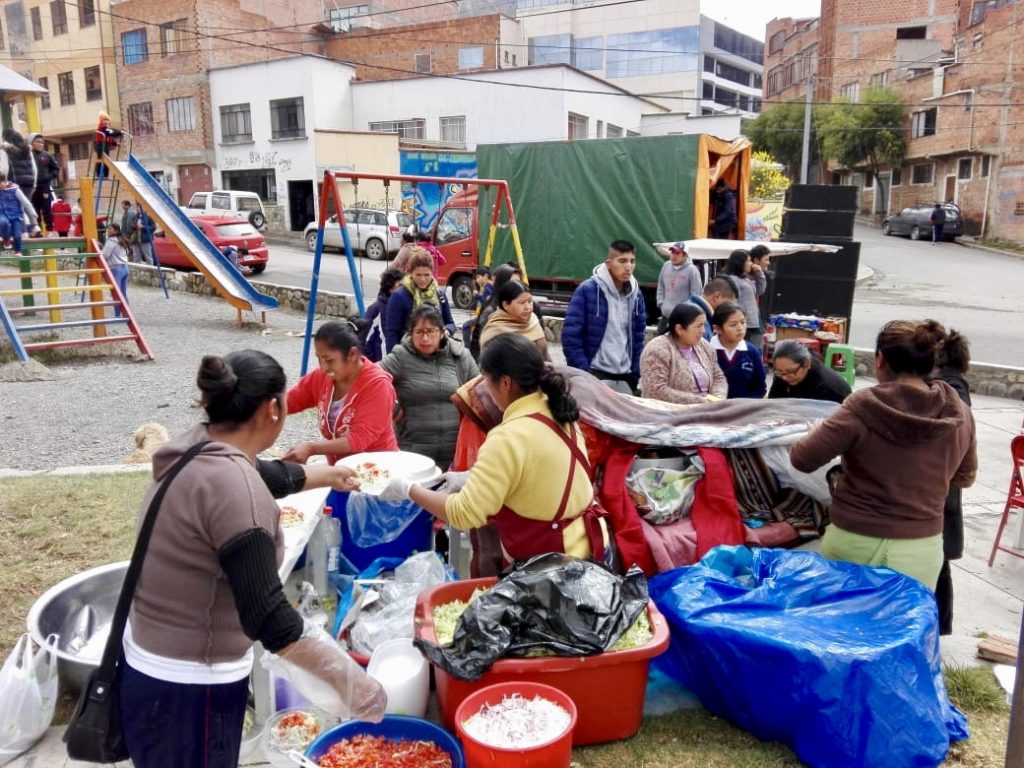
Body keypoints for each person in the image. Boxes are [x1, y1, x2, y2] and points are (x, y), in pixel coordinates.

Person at [117, 350, 386, 767]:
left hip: (144, 669)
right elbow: (268, 617)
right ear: (273, 408)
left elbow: (264, 473)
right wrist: (355, 685)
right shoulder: (239, 493)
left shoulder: (195, 448)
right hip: (191, 689)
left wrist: (327, 475)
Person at [379, 333, 609, 565]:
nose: (485, 390)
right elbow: (538, 473)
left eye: (487, 381)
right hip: (591, 549)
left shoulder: (508, 435)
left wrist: (408, 489)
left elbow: (462, 514)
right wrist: (470, 478)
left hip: (557, 565)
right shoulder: (557, 410)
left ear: (506, 382)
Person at [790, 320, 978, 590]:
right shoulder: (958, 411)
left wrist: (819, 431)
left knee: (841, 629)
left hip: (853, 542)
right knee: (899, 629)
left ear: (880, 360)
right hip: (921, 549)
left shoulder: (861, 406)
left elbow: (802, 459)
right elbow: (965, 477)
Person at [284, 321, 398, 465]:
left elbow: (358, 439)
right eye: (319, 359)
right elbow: (293, 399)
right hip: (340, 469)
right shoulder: (323, 376)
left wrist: (311, 448)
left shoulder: (377, 384)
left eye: (329, 360)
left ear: (352, 354)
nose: (323, 367)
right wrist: (263, 407)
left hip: (377, 469)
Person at [380, 305, 479, 469]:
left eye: (431, 332)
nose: (425, 339)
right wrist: (393, 407)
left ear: (441, 333)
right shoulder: (401, 356)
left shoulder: (461, 356)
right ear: (411, 334)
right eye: (419, 332)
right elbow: (371, 380)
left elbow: (481, 394)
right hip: (413, 453)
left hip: (456, 453)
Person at [563, 240, 647, 394]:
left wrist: (635, 371)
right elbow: (571, 335)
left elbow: (639, 336)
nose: (628, 266)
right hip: (595, 373)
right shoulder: (588, 290)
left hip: (626, 377)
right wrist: (584, 372)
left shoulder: (636, 295)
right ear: (608, 263)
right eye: (622, 261)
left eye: (632, 261)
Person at [930, 328, 972, 633]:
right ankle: (940, 626)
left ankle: (939, 626)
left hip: (940, 488)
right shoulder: (955, 386)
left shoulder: (949, 390)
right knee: (938, 561)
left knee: (938, 561)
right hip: (945, 486)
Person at [640, 301, 726, 404]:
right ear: (679, 329)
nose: (703, 331)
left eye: (703, 325)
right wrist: (700, 401)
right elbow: (656, 390)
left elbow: (717, 376)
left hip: (706, 410)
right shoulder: (657, 349)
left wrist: (718, 397)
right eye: (698, 326)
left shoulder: (704, 346)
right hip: (668, 414)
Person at [383, 248, 455, 353]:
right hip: (408, 355)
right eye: (418, 275)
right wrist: (394, 361)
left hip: (437, 355)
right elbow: (392, 333)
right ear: (410, 273)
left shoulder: (439, 294)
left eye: (427, 275)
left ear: (432, 273)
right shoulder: (399, 297)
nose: (422, 279)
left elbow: (450, 323)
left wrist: (447, 331)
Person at [480, 279, 549, 360]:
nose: (528, 307)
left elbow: (545, 355)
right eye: (522, 303)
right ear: (505, 305)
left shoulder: (533, 320)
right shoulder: (496, 331)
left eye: (530, 301)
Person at [767, 339, 851, 404]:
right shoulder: (783, 373)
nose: (784, 377)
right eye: (780, 372)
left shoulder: (829, 388)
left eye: (791, 372)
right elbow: (774, 403)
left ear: (807, 363)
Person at [711, 302, 766, 399]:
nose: (740, 328)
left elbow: (760, 387)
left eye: (743, 322)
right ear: (718, 329)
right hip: (714, 408)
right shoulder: (708, 350)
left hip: (744, 409)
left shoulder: (752, 352)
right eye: (733, 325)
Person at [718, 249, 766, 348]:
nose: (751, 264)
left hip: (754, 320)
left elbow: (760, 290)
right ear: (740, 263)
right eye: (748, 261)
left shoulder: (746, 278)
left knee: (756, 349)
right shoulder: (733, 280)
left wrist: (760, 274)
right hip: (744, 323)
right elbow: (731, 301)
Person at [656, 240, 703, 333]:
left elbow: (696, 295)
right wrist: (661, 304)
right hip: (665, 317)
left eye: (677, 253)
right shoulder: (666, 265)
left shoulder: (692, 270)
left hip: (682, 320)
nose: (673, 255)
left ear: (685, 255)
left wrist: (684, 311)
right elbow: (661, 287)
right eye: (672, 252)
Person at [360, 268, 404, 362]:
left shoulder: (403, 306)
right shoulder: (376, 309)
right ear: (390, 287)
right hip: (380, 363)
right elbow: (365, 339)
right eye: (400, 285)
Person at [0, 173, 41, 257]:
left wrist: (34, 220)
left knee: (17, 234)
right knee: (3, 222)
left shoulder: (14, 189)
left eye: (0, 185)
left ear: (5, 181)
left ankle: (18, 251)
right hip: (2, 213)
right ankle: (6, 239)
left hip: (16, 214)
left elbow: (26, 203)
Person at [687, 276, 738, 341]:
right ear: (716, 297)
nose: (729, 308)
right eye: (728, 304)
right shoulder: (698, 317)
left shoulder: (691, 307)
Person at [29, 133, 60, 232]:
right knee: (34, 210)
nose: (40, 144)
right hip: (31, 186)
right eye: (37, 142)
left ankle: (49, 229)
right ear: (31, 143)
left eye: (42, 142)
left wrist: (48, 177)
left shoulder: (47, 155)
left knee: (46, 209)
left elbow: (56, 169)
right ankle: (38, 231)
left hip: (44, 186)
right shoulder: (27, 155)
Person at [102, 222, 130, 315]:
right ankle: (126, 313)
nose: (108, 230)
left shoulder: (111, 241)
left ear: (116, 230)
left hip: (116, 269)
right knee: (123, 293)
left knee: (116, 293)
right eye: (108, 228)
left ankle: (117, 314)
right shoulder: (121, 239)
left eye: (110, 229)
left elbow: (105, 255)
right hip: (125, 268)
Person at [2, 130, 37, 203]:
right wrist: (34, 183)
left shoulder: (5, 150)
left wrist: (3, 182)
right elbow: (34, 169)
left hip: (14, 183)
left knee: (15, 208)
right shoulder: (28, 150)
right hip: (29, 183)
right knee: (27, 206)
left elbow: (4, 168)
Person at [461, 266, 493, 344]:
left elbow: (486, 302)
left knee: (465, 326)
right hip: (486, 315)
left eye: (478, 277)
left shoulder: (488, 288)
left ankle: (467, 348)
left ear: (485, 276)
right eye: (476, 278)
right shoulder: (488, 286)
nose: (477, 280)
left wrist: (477, 295)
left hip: (486, 317)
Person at [94, 111, 123, 178]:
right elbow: (110, 133)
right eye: (104, 120)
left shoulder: (106, 129)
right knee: (101, 159)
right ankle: (99, 175)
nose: (106, 121)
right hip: (100, 145)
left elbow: (109, 139)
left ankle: (106, 175)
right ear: (101, 121)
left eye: (107, 120)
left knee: (106, 160)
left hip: (105, 145)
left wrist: (115, 143)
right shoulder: (102, 127)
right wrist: (119, 133)